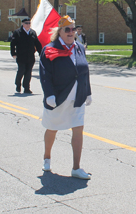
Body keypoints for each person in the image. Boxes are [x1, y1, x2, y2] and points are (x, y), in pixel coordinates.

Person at [39, 15, 92, 180]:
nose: (71, 32)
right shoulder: (50, 49)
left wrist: (88, 92)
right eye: (67, 29)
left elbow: (84, 71)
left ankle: (76, 168)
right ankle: (47, 157)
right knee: (52, 128)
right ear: (60, 32)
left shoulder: (79, 48)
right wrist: (49, 94)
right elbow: (44, 74)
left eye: (73, 29)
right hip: (58, 97)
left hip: (78, 98)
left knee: (78, 129)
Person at [10, 18, 42, 94]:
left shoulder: (32, 33)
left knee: (28, 72)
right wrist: (13, 53)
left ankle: (26, 88)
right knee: (21, 70)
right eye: (26, 23)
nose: (28, 24)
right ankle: (18, 84)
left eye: (29, 23)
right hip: (21, 56)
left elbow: (37, 44)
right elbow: (13, 44)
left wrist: (41, 53)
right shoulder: (17, 32)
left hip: (30, 56)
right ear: (22, 24)